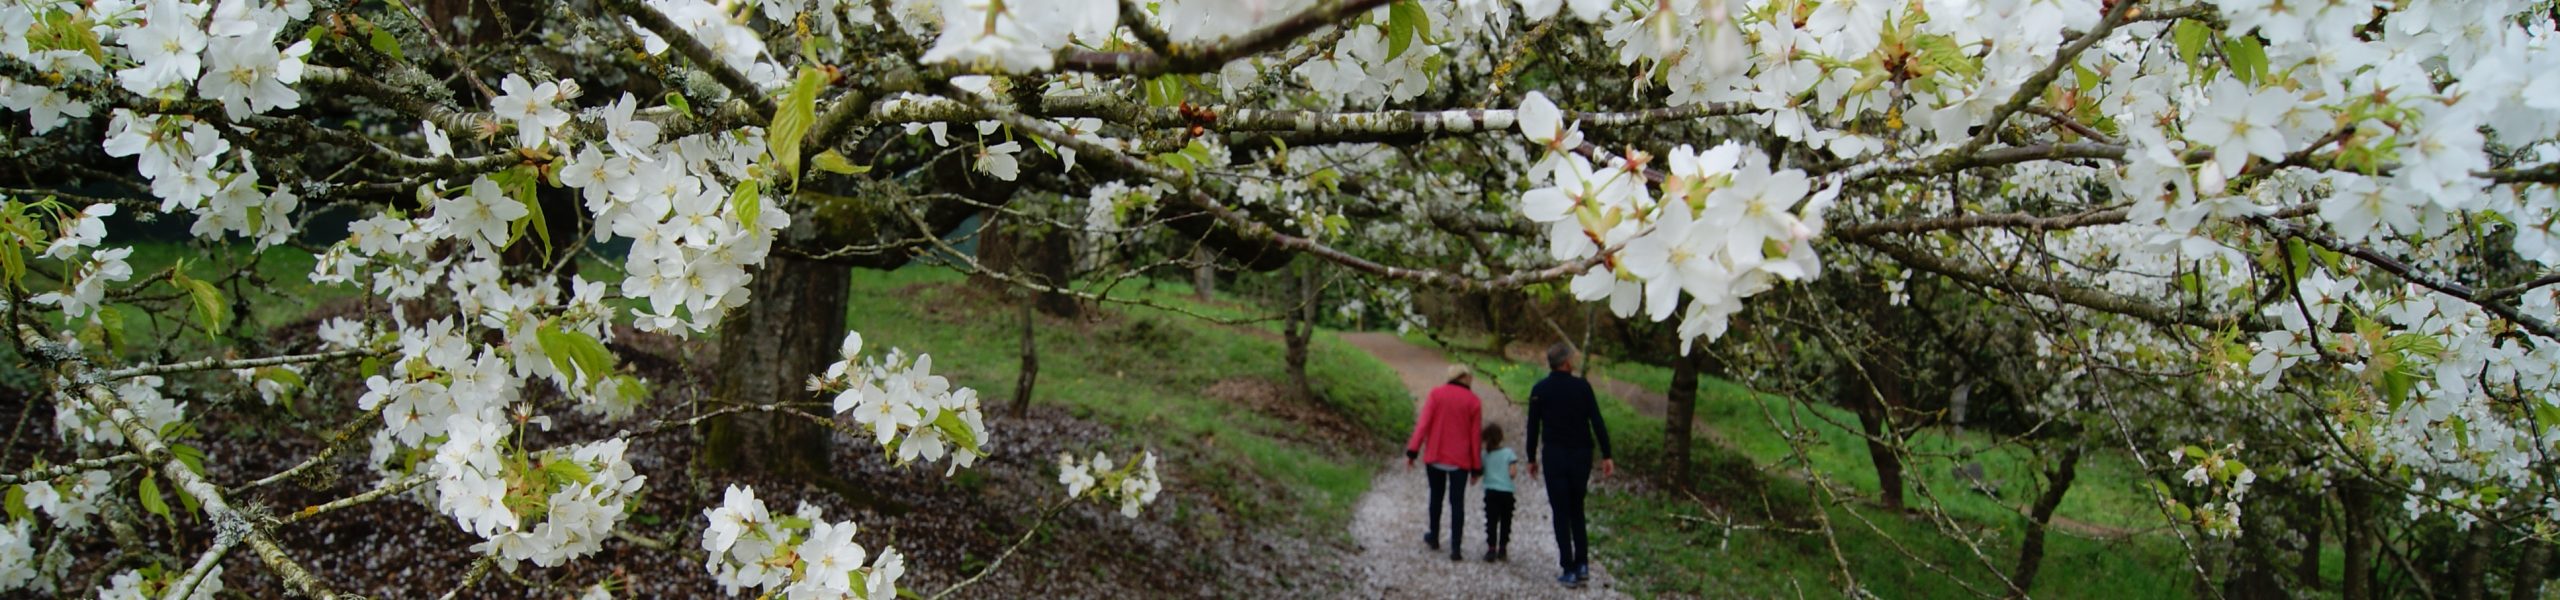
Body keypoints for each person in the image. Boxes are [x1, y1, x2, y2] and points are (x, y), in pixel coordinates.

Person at [1526, 343, 1614, 589]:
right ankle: (1583, 563)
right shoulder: (1582, 387)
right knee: (1577, 508)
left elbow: (1533, 427)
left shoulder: (1539, 390)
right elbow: (1596, 420)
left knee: (1560, 511)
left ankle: (1568, 567)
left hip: (1555, 454)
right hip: (1581, 454)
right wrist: (1607, 454)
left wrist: (1531, 457)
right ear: (1566, 362)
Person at [1405, 364, 1484, 561]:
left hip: (1436, 455)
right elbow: (1475, 438)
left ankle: (1434, 536)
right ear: (1464, 378)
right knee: (1457, 503)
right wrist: (1476, 467)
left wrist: (1412, 451)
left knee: (1436, 497)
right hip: (1460, 461)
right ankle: (1456, 547)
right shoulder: (1473, 401)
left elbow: (1423, 424)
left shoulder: (1436, 395)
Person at [1479, 423, 1520, 563]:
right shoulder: (1509, 453)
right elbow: (1513, 473)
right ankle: (1503, 547)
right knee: (1506, 520)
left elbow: (1480, 470)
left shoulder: (1484, 455)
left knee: (1491, 520)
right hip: (1507, 491)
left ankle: (1491, 548)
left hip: (1491, 491)